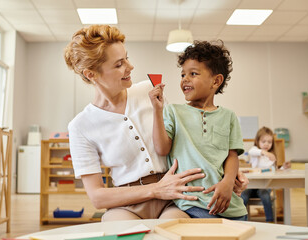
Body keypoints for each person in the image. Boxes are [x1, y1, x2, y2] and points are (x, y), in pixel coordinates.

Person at [64, 25, 249, 221]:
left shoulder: (149, 91)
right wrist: (157, 190)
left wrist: (229, 176)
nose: (130, 66)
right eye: (119, 64)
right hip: (127, 204)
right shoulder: (80, 126)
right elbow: (98, 197)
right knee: (118, 229)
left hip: (175, 199)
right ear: (91, 74)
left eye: (127, 58)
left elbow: (190, 140)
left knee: (174, 231)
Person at [149, 40, 247, 220]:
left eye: (193, 74)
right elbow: (162, 148)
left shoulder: (229, 116)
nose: (185, 79)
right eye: (182, 74)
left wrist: (227, 183)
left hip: (231, 206)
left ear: (216, 81)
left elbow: (232, 155)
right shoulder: (173, 112)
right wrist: (157, 110)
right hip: (193, 204)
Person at [241, 126, 277, 223]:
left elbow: (273, 169)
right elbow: (252, 151)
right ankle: (242, 220)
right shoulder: (255, 151)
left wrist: (282, 168)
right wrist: (264, 152)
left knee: (264, 194)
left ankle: (270, 220)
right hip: (252, 185)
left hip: (264, 186)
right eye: (263, 141)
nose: (266, 144)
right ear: (257, 141)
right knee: (243, 195)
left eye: (269, 142)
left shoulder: (271, 155)